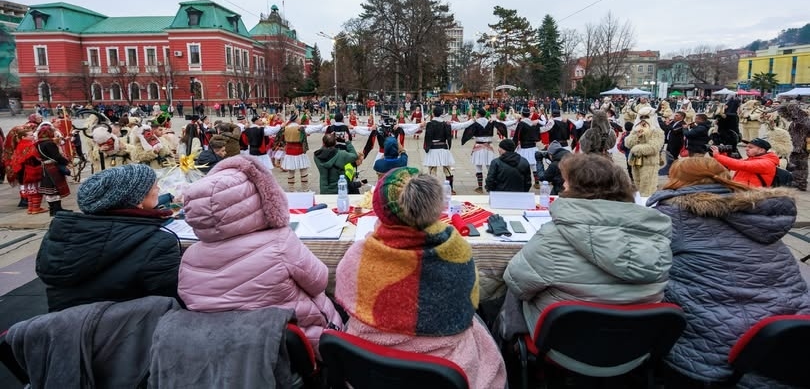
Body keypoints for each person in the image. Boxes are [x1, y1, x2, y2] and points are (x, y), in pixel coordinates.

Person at [335, 168, 507, 388]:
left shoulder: (358, 255)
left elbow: (342, 292)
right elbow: (469, 304)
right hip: (443, 371)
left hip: (368, 368)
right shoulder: (458, 251)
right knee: (481, 326)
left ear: (380, 209)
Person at [646, 157, 810, 385]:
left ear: (677, 180)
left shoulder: (675, 214)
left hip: (723, 348)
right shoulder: (759, 214)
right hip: (794, 336)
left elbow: (643, 265)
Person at [178, 155, 343, 353]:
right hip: (296, 344)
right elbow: (320, 281)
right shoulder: (280, 243)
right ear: (258, 197)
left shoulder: (188, 257)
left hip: (229, 350)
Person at [504, 153, 672, 334]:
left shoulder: (552, 237)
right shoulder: (657, 233)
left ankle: (505, 347)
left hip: (565, 344)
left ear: (578, 188)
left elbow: (517, 283)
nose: (563, 186)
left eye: (566, 182)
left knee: (512, 293)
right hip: (637, 344)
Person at [36, 164, 181, 312]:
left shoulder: (63, 236)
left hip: (64, 327)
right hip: (128, 328)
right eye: (154, 186)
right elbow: (173, 302)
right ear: (137, 199)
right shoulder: (158, 244)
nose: (158, 189)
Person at [710, 137, 780, 187]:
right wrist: (722, 154)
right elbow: (733, 166)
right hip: (740, 190)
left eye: (750, 147)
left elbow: (742, 165)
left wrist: (718, 156)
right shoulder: (753, 159)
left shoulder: (767, 162)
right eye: (746, 147)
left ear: (761, 150)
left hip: (752, 195)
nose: (746, 149)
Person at [35, 125, 71, 216]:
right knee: (54, 189)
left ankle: (54, 210)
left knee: (50, 190)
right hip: (52, 167)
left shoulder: (38, 143)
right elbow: (57, 156)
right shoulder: (49, 143)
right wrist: (66, 162)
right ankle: (56, 210)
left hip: (45, 167)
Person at [423, 106, 456, 193]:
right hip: (443, 148)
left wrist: (427, 147)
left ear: (433, 113)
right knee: (447, 169)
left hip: (433, 149)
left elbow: (428, 137)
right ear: (441, 114)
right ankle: (450, 189)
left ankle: (432, 190)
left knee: (432, 170)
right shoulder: (446, 124)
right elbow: (451, 134)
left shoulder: (430, 124)